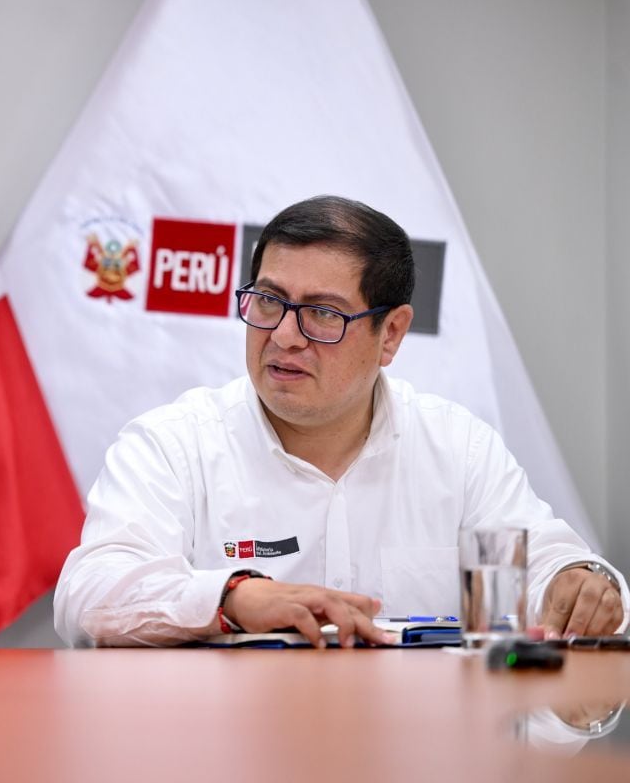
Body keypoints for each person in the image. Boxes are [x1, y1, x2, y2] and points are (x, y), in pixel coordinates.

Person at [54, 195, 627, 648]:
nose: (282, 335)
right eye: (268, 301)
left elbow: (545, 562)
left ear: (393, 334)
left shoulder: (458, 448)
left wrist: (579, 583)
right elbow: (89, 594)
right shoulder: (173, 443)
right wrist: (230, 599)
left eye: (323, 314)